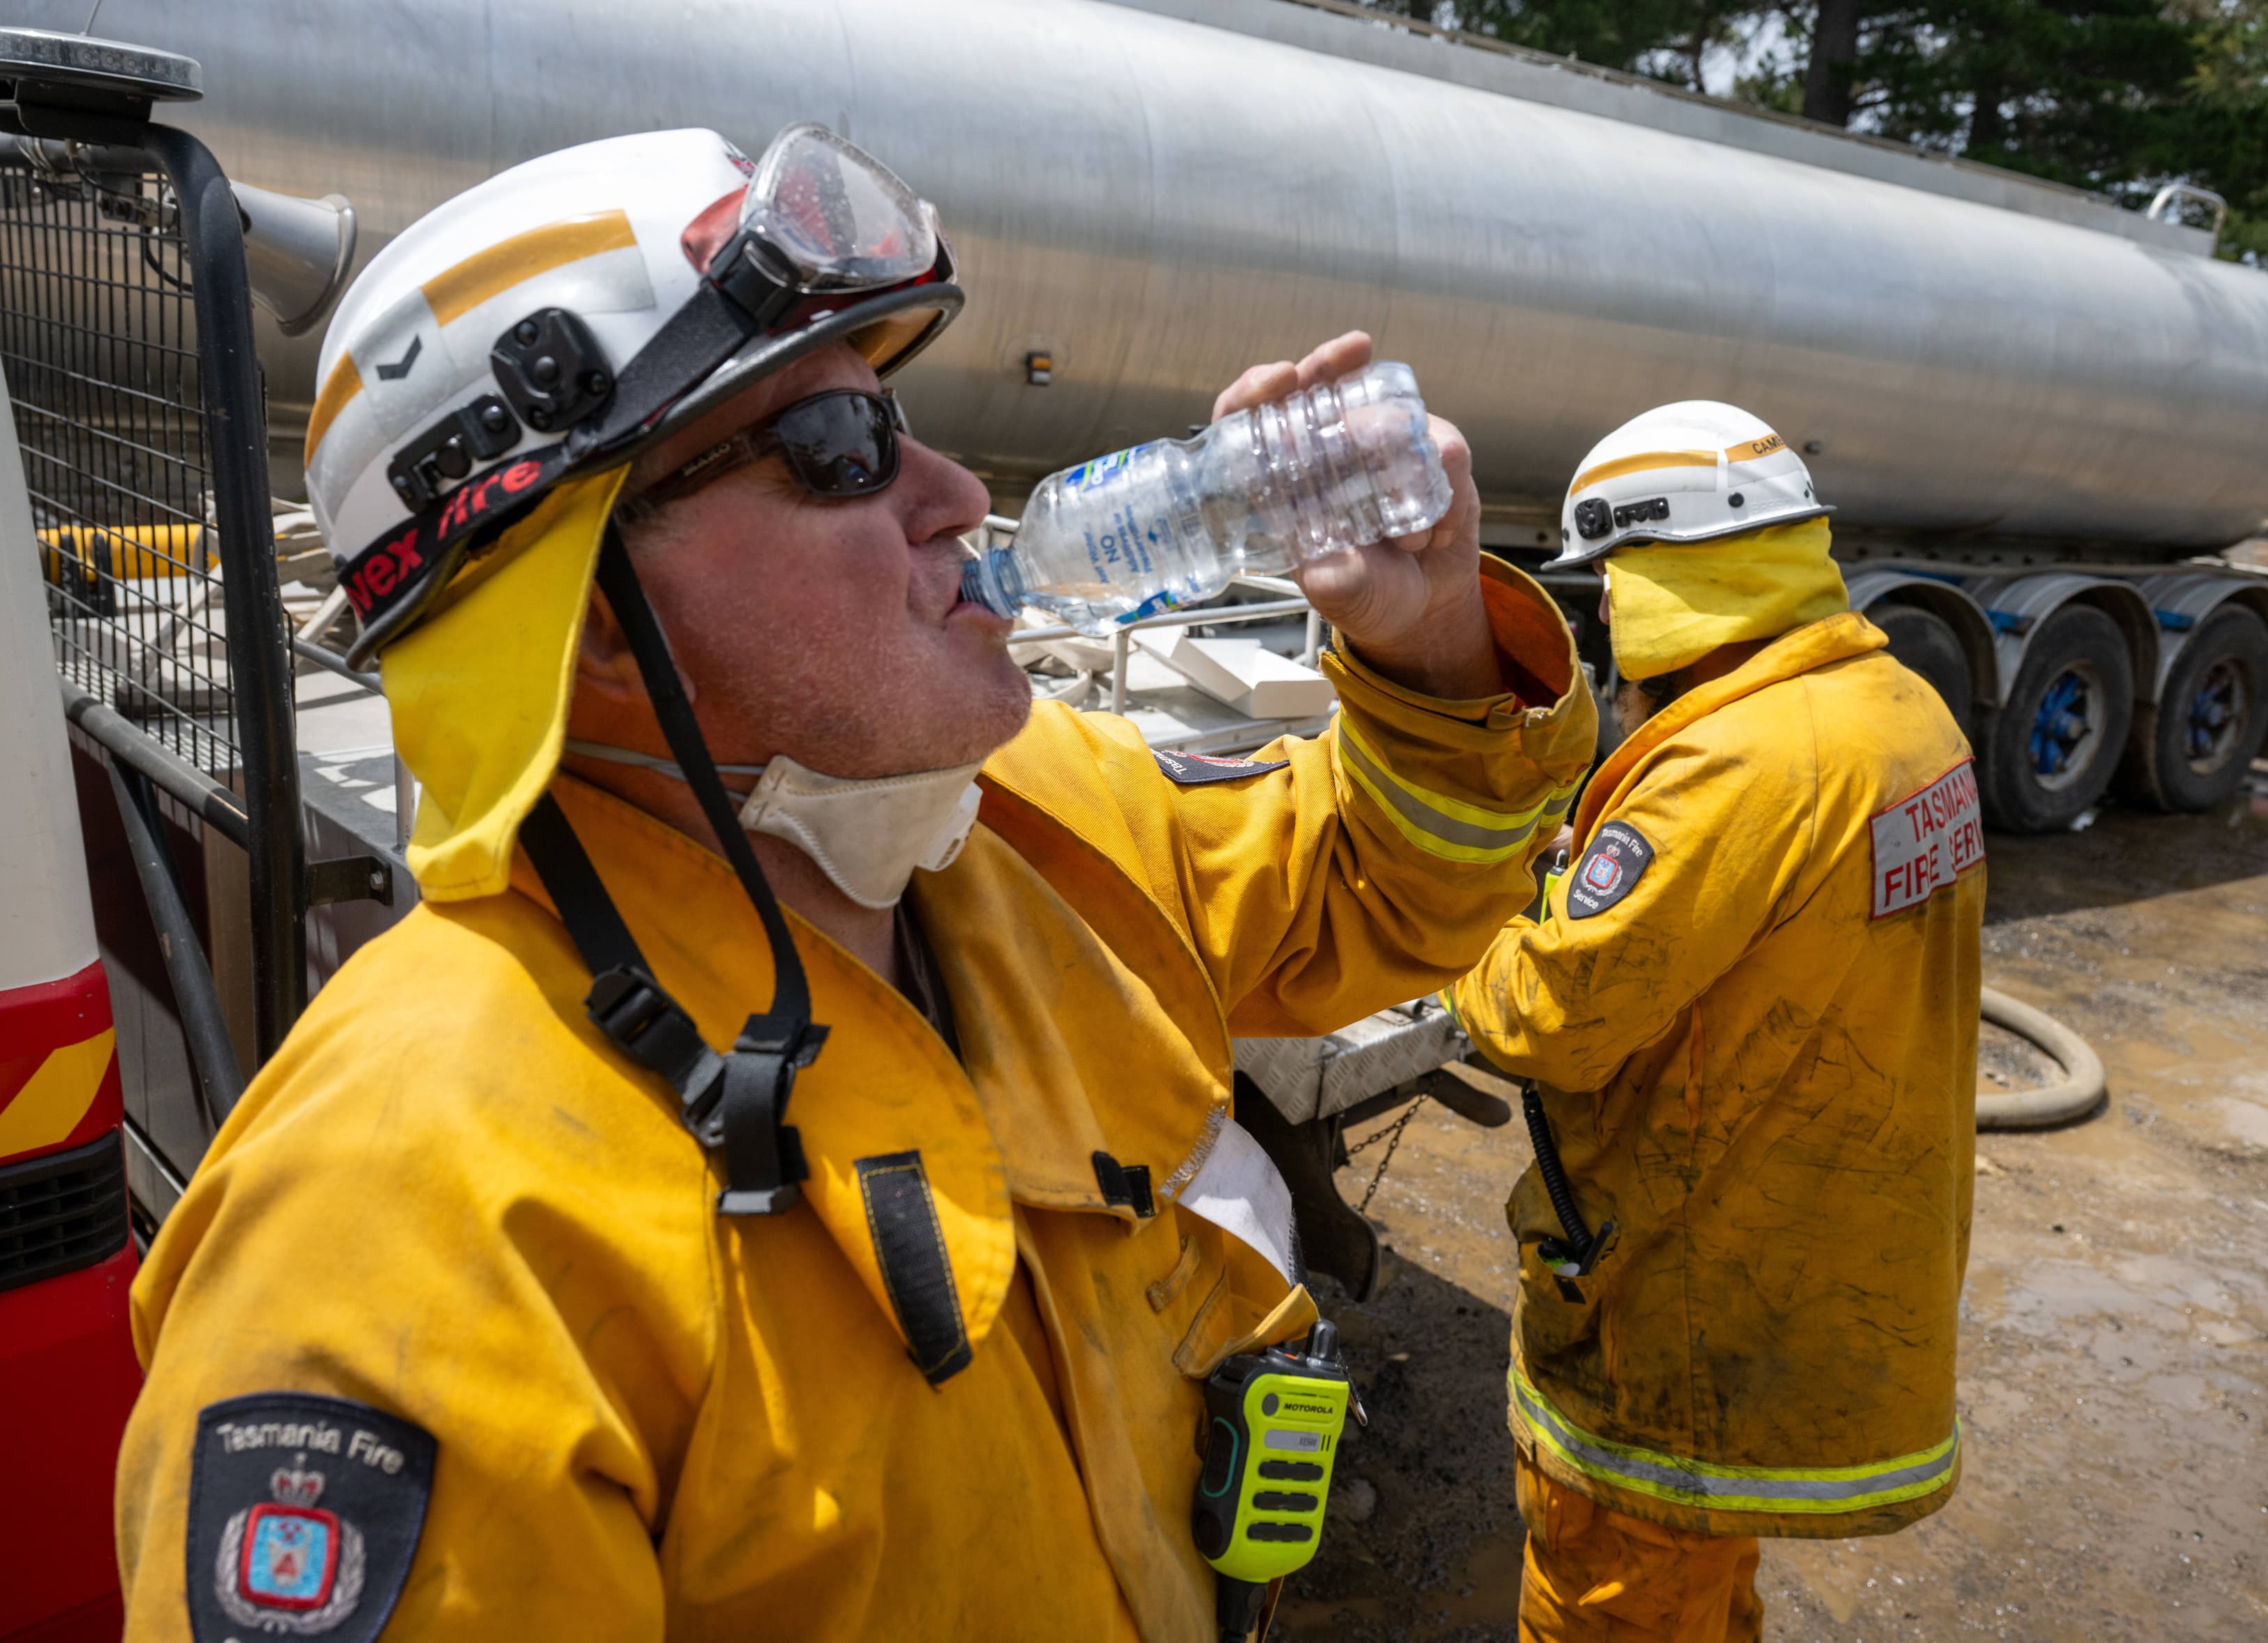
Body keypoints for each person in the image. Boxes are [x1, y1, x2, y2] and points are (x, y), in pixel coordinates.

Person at [110, 126, 1593, 1641]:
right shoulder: (402, 1236)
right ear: (592, 623)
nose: (955, 493)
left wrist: (1428, 657)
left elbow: (1380, 894)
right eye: (837, 454)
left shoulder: (1020, 818)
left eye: (901, 421)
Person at [1446, 402, 1984, 1642]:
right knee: (1706, 1588)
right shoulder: (1898, 706)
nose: (1605, 632)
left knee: (1617, 1595)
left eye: (1609, 596)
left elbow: (1546, 1023)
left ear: (1655, 584)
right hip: (1819, 1254)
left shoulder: (1736, 766)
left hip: (1691, 1303)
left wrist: (1467, 925)